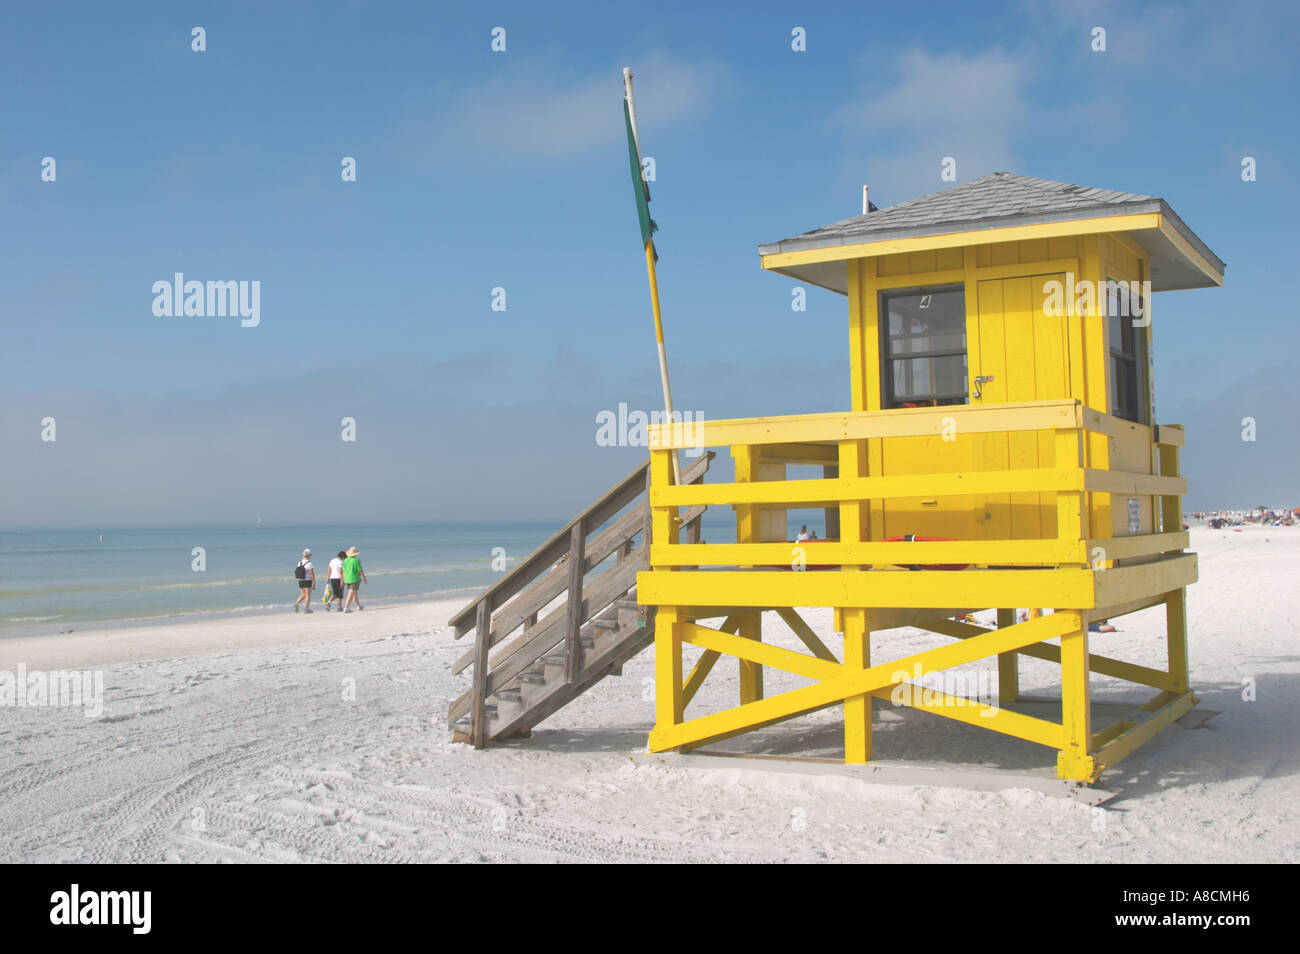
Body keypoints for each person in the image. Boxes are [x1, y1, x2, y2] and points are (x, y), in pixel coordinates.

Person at [341, 546, 367, 612]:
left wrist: (343, 579)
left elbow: (343, 571)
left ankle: (358, 606)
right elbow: (360, 570)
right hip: (355, 578)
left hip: (347, 579)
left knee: (354, 592)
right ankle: (346, 607)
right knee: (351, 593)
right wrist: (364, 578)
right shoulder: (357, 560)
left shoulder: (345, 560)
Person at [294, 548, 315, 613]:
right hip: (307, 580)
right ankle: (306, 608)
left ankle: (296, 604)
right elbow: (311, 573)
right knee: (308, 595)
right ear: (309, 555)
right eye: (310, 555)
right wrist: (313, 582)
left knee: (303, 594)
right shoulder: (309, 563)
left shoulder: (299, 562)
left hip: (300, 580)